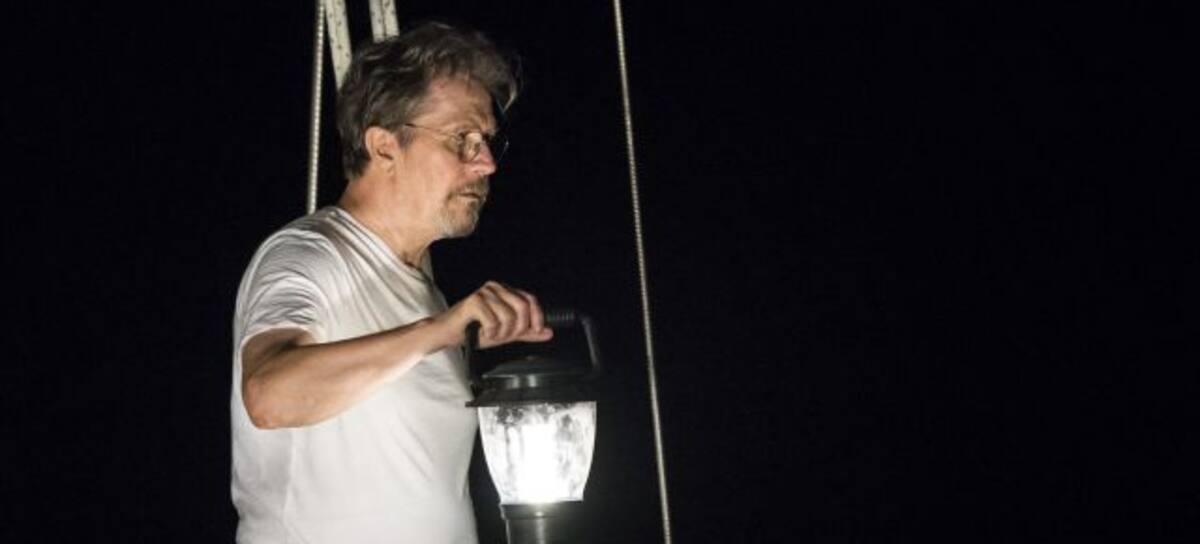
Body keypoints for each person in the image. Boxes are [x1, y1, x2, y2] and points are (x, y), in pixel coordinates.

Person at [230, 21, 550, 544]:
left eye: (487, 141)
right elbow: (268, 394)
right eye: (462, 140)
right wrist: (438, 332)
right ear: (383, 147)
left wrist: (451, 332)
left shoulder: (423, 290)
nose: (486, 163)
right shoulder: (309, 253)